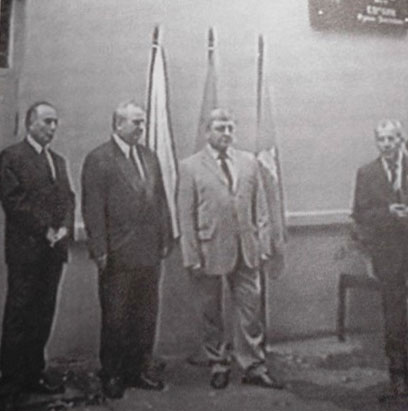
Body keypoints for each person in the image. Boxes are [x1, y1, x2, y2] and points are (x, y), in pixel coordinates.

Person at [178, 108, 283, 390]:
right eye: (219, 128)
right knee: (210, 311)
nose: (226, 134)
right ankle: (218, 363)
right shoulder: (190, 166)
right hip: (208, 248)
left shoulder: (249, 162)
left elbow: (261, 207)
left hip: (246, 249)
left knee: (250, 310)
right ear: (207, 132)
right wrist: (191, 255)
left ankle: (253, 365)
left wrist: (262, 245)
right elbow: (185, 215)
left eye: (229, 128)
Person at [81, 100, 171, 399]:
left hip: (149, 253)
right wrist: (100, 250)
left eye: (143, 122)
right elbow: (93, 208)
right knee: (116, 318)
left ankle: (138, 370)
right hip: (118, 254)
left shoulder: (149, 156)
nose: (141, 128)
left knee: (145, 316)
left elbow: (160, 200)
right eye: (136, 122)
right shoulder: (99, 159)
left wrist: (165, 237)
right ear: (118, 124)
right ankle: (113, 374)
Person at [351, 119, 408, 397]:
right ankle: (399, 376)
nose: (386, 145)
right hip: (389, 255)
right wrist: (388, 213)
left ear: (400, 140)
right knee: (394, 319)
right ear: (376, 143)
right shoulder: (367, 173)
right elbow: (360, 213)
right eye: (381, 139)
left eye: (391, 139)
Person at [0, 101, 74, 396]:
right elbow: (14, 201)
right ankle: (11, 380)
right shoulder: (11, 157)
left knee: (43, 313)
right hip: (26, 252)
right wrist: (46, 229)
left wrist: (65, 227)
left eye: (55, 122)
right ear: (30, 123)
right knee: (20, 313)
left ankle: (33, 373)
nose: (52, 128)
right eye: (46, 121)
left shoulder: (58, 161)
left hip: (53, 252)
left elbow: (68, 198)